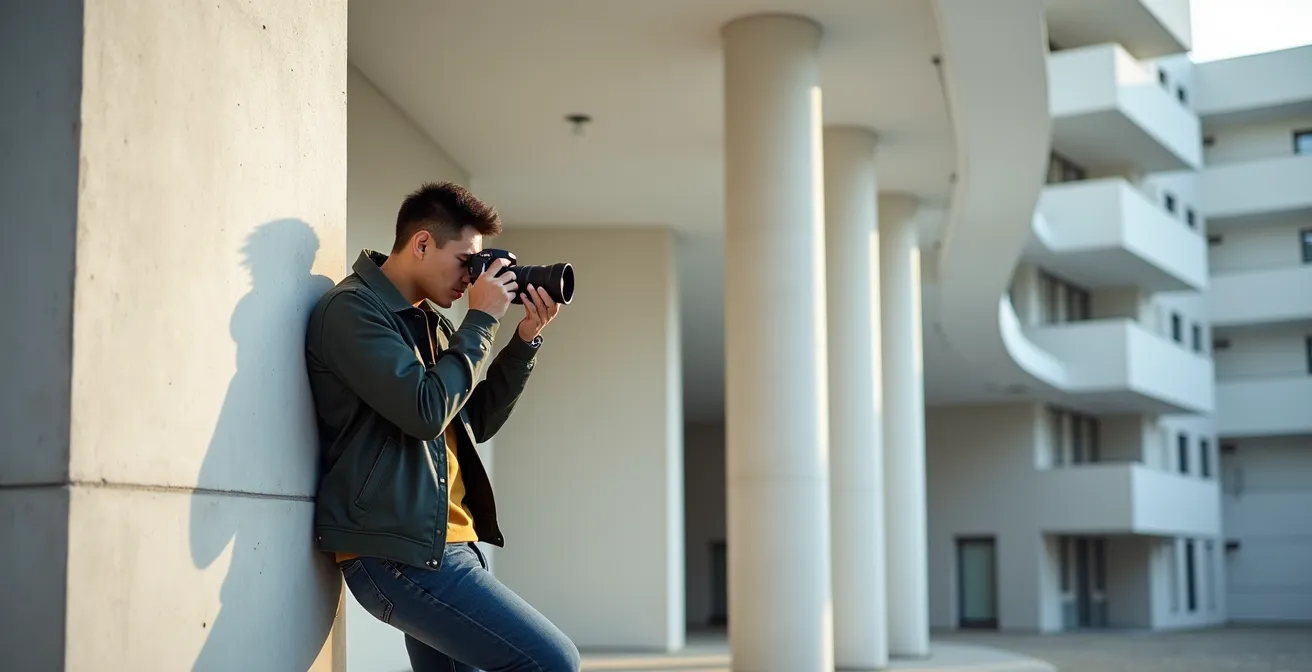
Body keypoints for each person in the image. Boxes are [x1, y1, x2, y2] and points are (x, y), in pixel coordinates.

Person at [304, 182, 580, 671]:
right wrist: (481, 318)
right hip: (400, 556)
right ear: (423, 243)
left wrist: (524, 341)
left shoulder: (429, 323)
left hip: (450, 546)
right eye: (466, 261)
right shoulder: (352, 310)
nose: (471, 278)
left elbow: (474, 421)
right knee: (553, 661)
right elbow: (425, 410)